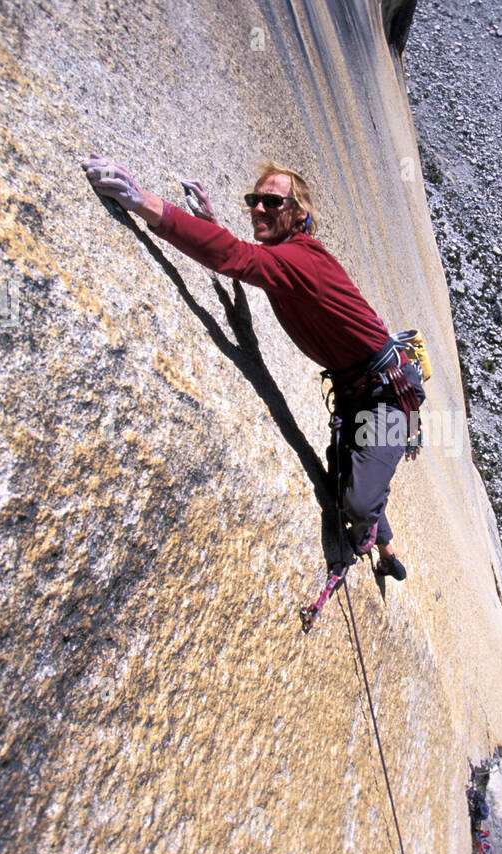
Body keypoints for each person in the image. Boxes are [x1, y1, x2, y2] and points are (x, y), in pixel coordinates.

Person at [80, 154, 424, 580]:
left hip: (390, 397)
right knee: (345, 481)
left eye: (273, 202)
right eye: (254, 199)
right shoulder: (283, 256)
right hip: (356, 391)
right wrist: (212, 224)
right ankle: (386, 551)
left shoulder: (303, 260)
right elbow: (246, 258)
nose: (259, 208)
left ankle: (371, 532)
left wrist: (143, 202)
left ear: (299, 214)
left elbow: (236, 259)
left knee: (357, 502)